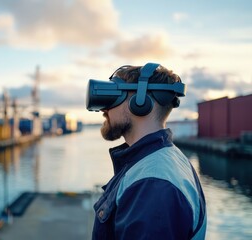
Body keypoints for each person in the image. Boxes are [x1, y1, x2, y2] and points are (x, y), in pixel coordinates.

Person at [86, 63, 207, 240]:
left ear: (140, 102)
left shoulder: (152, 185)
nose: (104, 109)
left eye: (114, 96)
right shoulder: (164, 159)